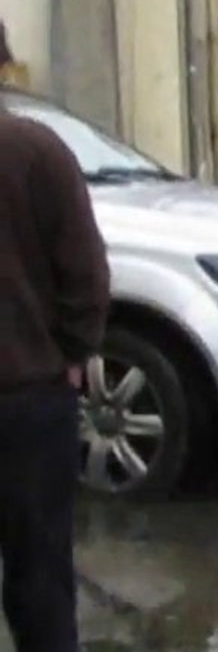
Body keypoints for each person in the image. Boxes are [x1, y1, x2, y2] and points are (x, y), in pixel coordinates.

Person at [0, 97, 111, 651]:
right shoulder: (38, 152)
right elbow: (87, 275)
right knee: (40, 572)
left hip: (31, 394)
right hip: (30, 399)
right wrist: (69, 352)